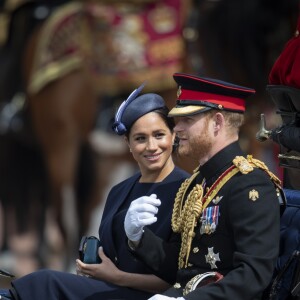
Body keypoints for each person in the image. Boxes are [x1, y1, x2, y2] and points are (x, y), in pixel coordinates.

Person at [0, 84, 190, 300]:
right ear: (127, 142)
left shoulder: (188, 190)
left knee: (45, 282)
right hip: (109, 289)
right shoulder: (119, 191)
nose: (151, 146)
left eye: (159, 135)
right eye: (140, 138)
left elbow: (179, 278)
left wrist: (116, 277)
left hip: (152, 297)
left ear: (174, 136)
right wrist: (94, 269)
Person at [124, 73, 284, 300]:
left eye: (187, 120)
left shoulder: (250, 183)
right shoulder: (199, 182)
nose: (176, 129)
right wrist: (138, 237)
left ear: (217, 123)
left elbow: (253, 275)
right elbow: (182, 268)